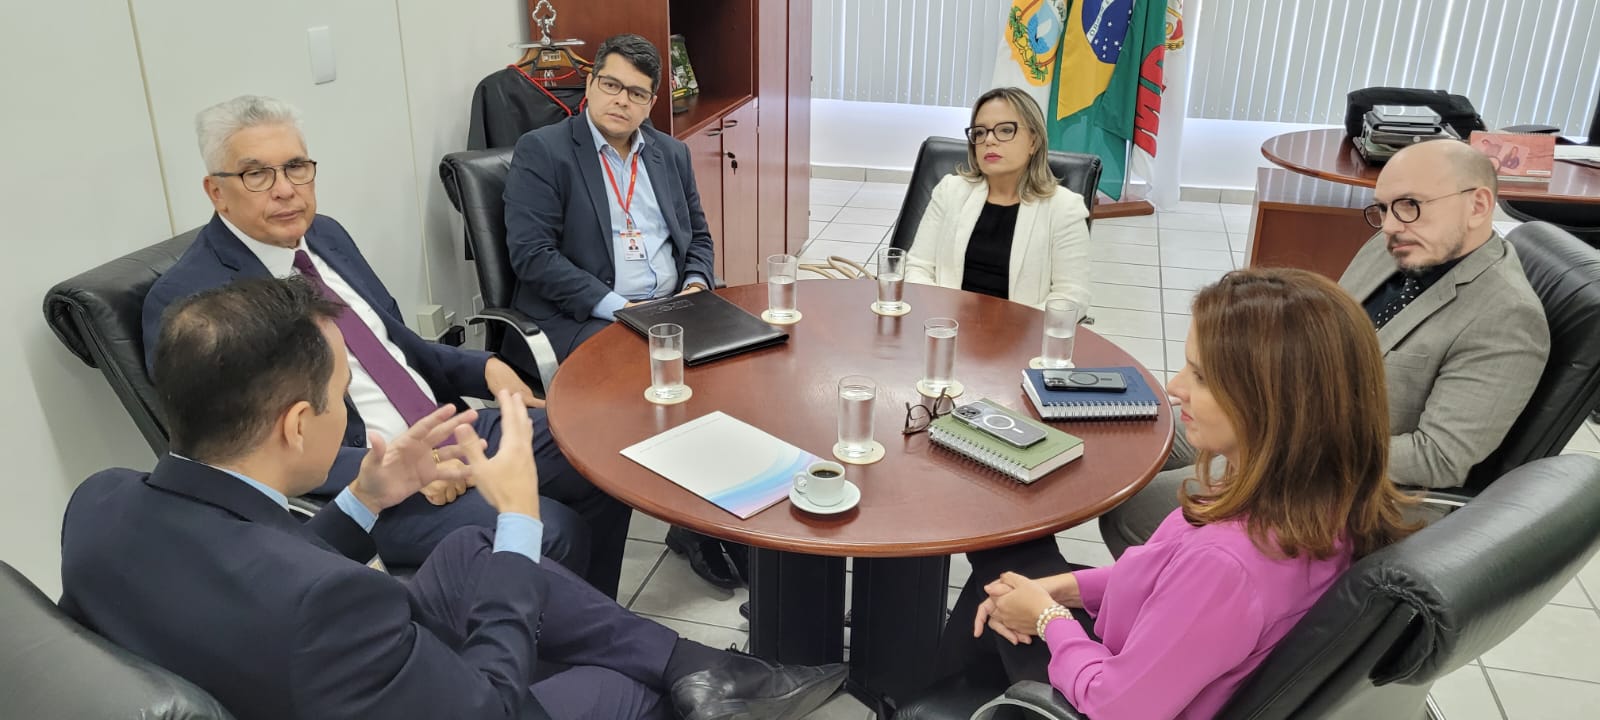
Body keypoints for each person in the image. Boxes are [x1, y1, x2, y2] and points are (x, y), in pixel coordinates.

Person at [62, 276, 847, 720]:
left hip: (288, 666)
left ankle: (702, 667)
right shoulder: (331, 605)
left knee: (462, 552)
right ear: (299, 425)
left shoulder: (99, 505)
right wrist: (518, 522)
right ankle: (686, 681)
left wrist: (367, 498)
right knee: (622, 687)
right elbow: (494, 707)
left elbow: (249, 567)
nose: (348, 412)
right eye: (340, 396)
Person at [142, 94, 633, 598]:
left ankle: (593, 626)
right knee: (551, 529)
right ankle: (556, 653)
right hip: (370, 482)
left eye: (295, 167)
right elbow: (243, 452)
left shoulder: (325, 236)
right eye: (257, 174)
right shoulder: (194, 302)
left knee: (599, 451)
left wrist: (486, 368)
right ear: (216, 192)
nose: (286, 190)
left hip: (445, 424)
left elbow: (395, 346)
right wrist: (407, 468)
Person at [927, 268, 1417, 718]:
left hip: (1107, 691)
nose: (1175, 387)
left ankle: (926, 704)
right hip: (1146, 650)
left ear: (1273, 404)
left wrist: (1050, 617)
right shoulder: (1319, 498)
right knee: (1008, 582)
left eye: (1200, 376)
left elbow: (1117, 706)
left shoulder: (1229, 566)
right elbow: (1163, 581)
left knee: (1001, 550)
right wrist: (1062, 590)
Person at [1099, 138, 1549, 557]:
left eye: (1410, 206)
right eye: (1384, 209)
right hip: (1282, 412)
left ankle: (1174, 608)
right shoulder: (1395, 245)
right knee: (1128, 438)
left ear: (1478, 205)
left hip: (1336, 476)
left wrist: (1288, 441)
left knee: (1134, 510)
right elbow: (1322, 342)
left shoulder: (1506, 317)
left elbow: (1439, 458)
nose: (1391, 226)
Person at [503, 33, 740, 589]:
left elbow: (698, 236)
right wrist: (619, 307)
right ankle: (633, 553)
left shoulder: (669, 153)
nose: (621, 100)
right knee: (660, 385)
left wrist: (697, 281)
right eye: (611, 85)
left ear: (651, 102)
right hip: (592, 313)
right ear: (590, 84)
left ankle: (704, 524)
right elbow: (531, 256)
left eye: (637, 93)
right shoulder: (545, 151)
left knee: (745, 371)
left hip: (674, 304)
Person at [904, 86, 1092, 310]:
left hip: (1022, 337)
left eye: (1004, 130)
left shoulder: (1064, 207)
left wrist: (1011, 331)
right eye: (980, 133)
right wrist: (943, 319)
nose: (989, 141)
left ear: (1034, 141)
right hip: (945, 327)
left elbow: (1071, 297)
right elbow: (917, 267)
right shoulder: (950, 190)